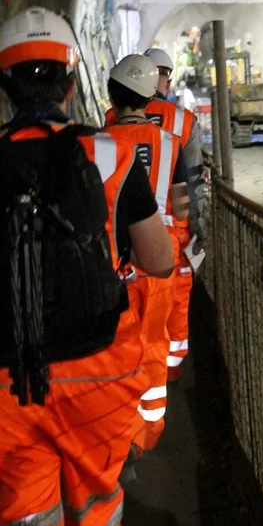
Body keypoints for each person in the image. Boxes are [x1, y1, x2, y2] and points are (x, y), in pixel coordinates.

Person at [0, 7, 174, 526]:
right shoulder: (106, 153)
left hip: (12, 389)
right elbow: (158, 260)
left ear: (6, 89)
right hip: (99, 381)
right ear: (73, 86)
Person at [105, 53, 190, 448]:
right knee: (153, 342)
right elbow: (183, 203)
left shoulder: (98, 145)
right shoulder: (172, 143)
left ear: (111, 95)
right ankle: (148, 435)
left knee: (115, 348)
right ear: (150, 96)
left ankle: (117, 433)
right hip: (160, 259)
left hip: (111, 263)